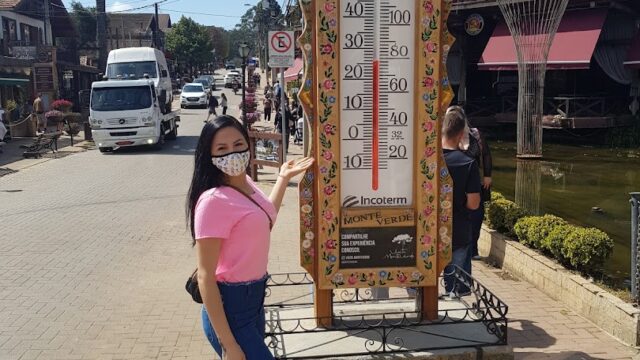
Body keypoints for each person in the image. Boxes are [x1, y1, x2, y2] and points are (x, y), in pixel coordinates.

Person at [186, 115, 313, 359]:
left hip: (254, 302)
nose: (232, 154)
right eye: (221, 149)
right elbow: (205, 276)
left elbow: (265, 221)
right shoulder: (213, 201)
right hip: (231, 309)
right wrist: (229, 345)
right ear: (209, 156)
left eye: (238, 144)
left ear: (248, 144)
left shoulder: (246, 183)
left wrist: (283, 178)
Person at [441, 106, 481, 298]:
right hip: (457, 229)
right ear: (461, 133)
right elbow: (473, 203)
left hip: (427, 230)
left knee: (422, 284)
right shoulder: (467, 163)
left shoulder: (427, 160)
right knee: (455, 287)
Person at [453, 106, 493, 261]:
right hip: (456, 183)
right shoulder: (448, 137)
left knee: (477, 215)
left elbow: (486, 155)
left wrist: (488, 175)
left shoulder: (475, 134)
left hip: (474, 179)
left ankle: (473, 249)